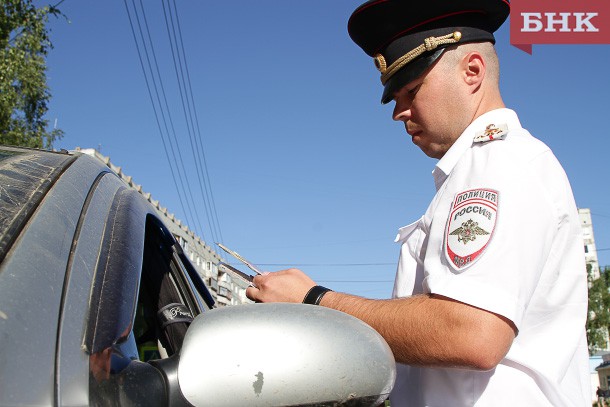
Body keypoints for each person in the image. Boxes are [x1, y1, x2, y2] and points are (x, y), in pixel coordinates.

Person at [246, 1, 590, 405]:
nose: (398, 113)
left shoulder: (498, 161)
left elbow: (471, 334)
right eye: (393, 97)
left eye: (410, 90)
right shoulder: (486, 165)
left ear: (472, 71)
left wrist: (315, 301)